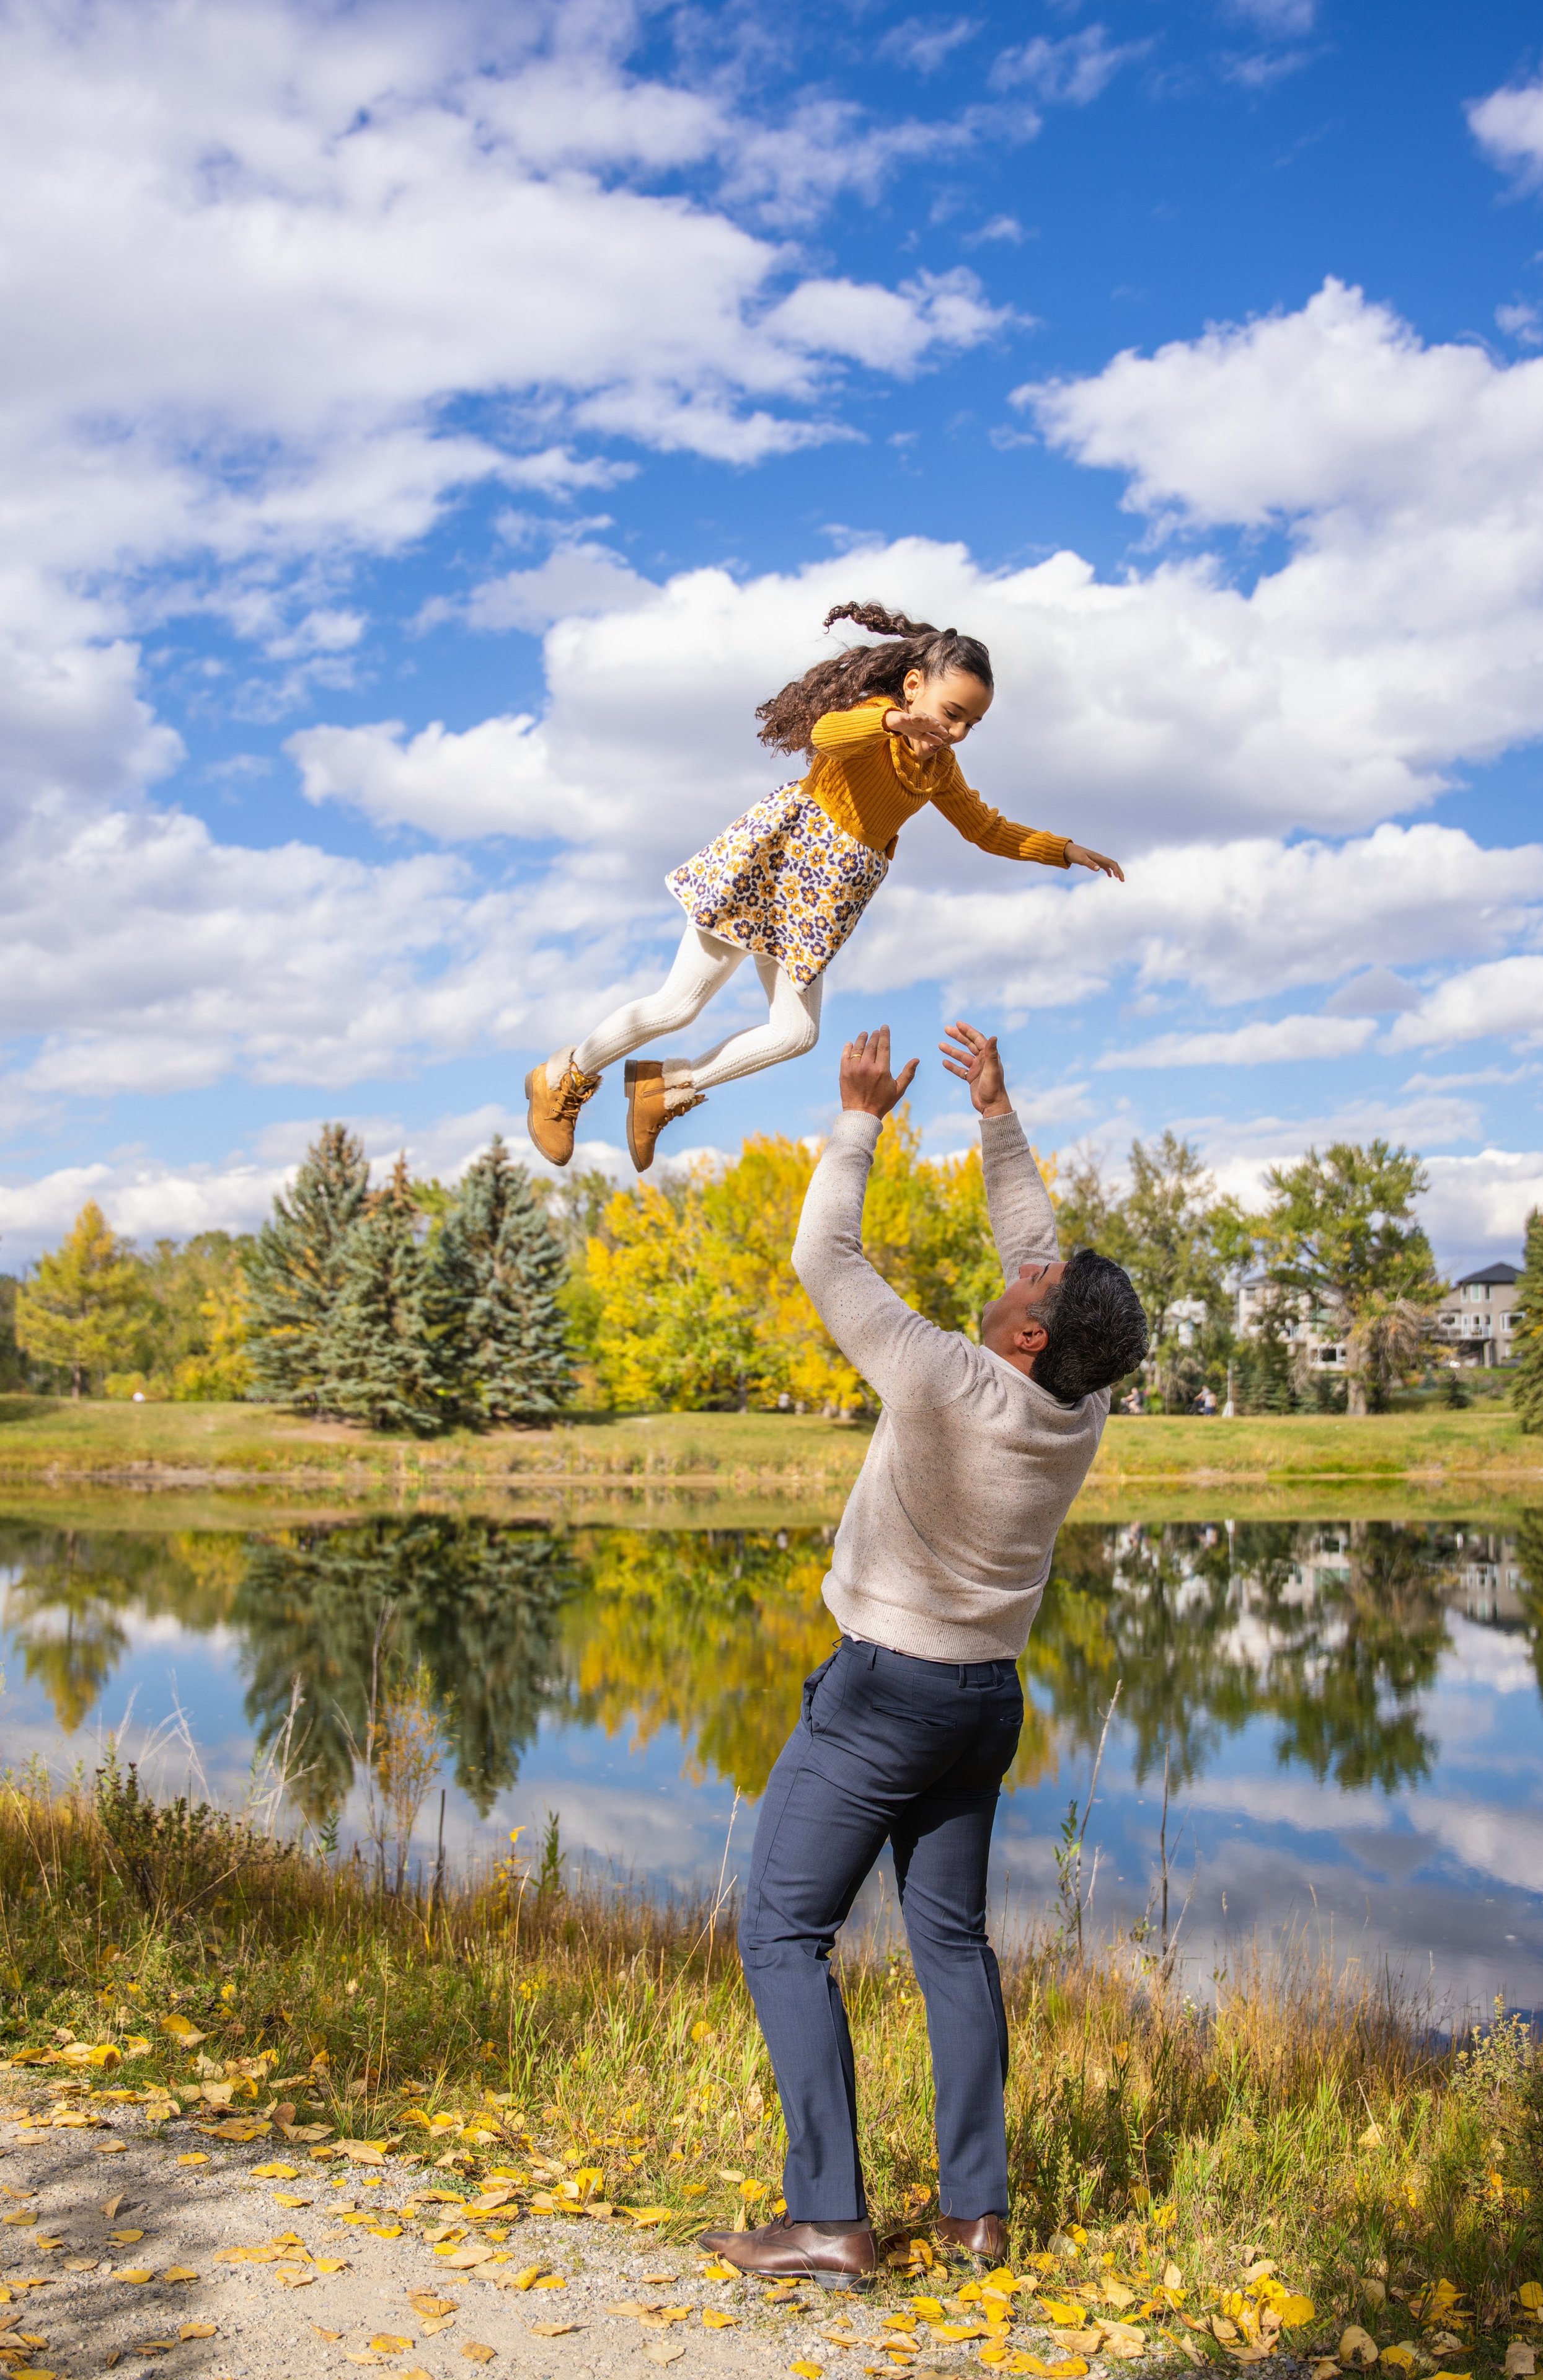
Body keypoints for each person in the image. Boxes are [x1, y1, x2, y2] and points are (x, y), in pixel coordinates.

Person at [699, 1020, 1149, 2285]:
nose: (1018, 1276)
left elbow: (820, 1251)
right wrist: (994, 1115)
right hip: (981, 1700)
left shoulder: (938, 1373)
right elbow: (1039, 1247)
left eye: (1029, 1290)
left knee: (781, 1933)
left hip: (883, 1691)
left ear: (1020, 1333)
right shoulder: (1079, 1401)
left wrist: (857, 1118)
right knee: (949, 1941)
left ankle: (829, 2219)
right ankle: (973, 2214)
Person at [525, 602, 1123, 1175]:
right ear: (913, 686)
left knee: (795, 1034)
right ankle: (561, 1076)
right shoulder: (873, 725)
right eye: (951, 712)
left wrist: (1063, 850)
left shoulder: (937, 767)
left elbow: (984, 828)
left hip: (821, 904)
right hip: (775, 865)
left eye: (971, 722)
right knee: (679, 1004)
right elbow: (830, 733)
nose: (958, 731)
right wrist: (890, 718)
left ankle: (665, 1088)